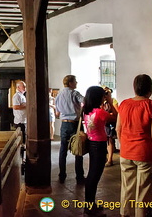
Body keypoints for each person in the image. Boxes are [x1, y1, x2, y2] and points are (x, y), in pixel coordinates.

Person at [116, 74, 152, 217]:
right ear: (150, 89)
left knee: (127, 189)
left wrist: (125, 145)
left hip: (126, 153)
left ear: (135, 88)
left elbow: (118, 129)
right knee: (143, 192)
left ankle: (125, 214)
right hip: (145, 155)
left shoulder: (124, 104)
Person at [82, 86, 117, 216]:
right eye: (103, 96)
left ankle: (90, 203)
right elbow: (115, 117)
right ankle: (89, 206)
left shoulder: (86, 110)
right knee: (94, 176)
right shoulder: (100, 112)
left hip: (91, 143)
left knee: (92, 174)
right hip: (99, 144)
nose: (104, 98)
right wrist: (111, 101)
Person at [55, 75, 85, 184]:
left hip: (64, 124)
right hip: (75, 124)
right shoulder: (74, 93)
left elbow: (57, 113)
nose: (76, 83)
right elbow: (85, 101)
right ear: (71, 83)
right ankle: (79, 177)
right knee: (78, 149)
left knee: (63, 150)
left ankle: (62, 175)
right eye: (75, 81)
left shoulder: (59, 95)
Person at [102, 86, 119, 167]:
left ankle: (110, 159)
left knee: (110, 140)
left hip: (110, 124)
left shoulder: (113, 101)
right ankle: (103, 158)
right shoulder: (101, 101)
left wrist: (110, 102)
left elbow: (117, 113)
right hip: (102, 124)